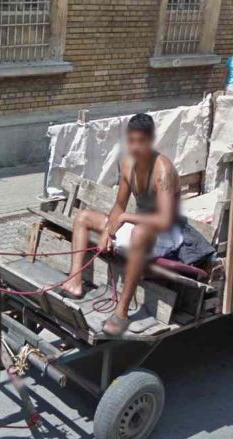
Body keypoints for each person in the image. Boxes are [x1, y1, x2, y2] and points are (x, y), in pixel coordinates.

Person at [60, 114, 214, 336]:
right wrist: (107, 231)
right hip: (139, 224)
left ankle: (121, 312)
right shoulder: (127, 164)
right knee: (84, 217)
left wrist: (125, 218)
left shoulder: (163, 170)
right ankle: (74, 282)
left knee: (139, 233)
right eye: (131, 141)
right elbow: (119, 205)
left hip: (168, 233)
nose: (135, 147)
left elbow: (164, 219)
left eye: (141, 141)